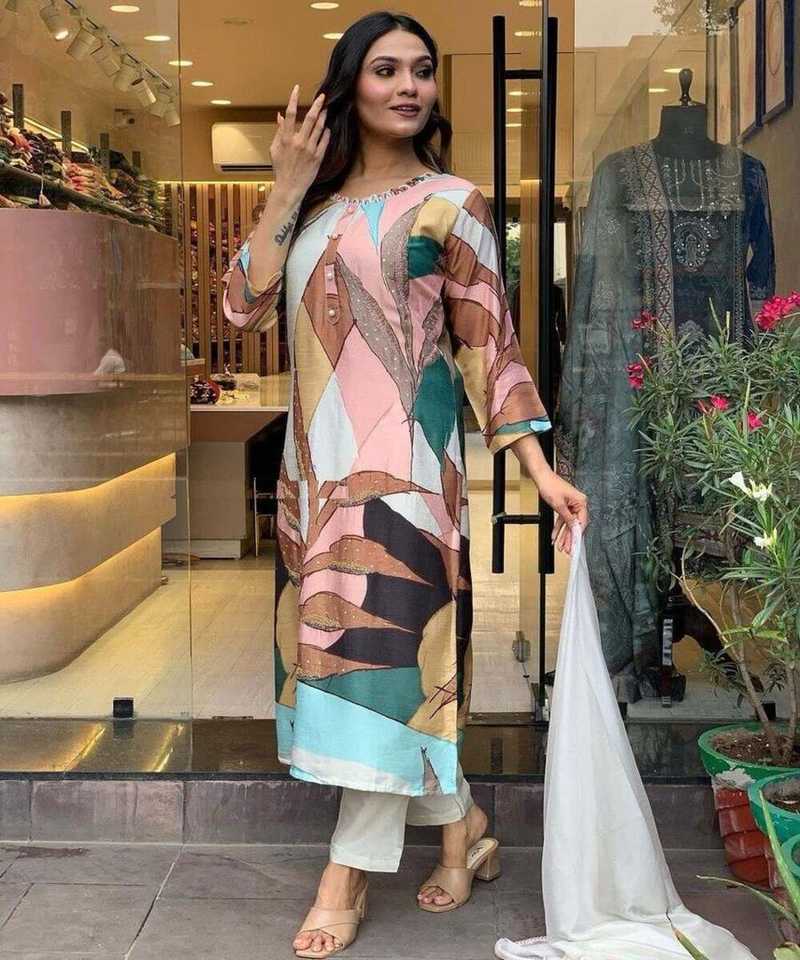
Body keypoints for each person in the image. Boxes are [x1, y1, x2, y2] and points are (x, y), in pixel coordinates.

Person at [222, 12, 588, 958]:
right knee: (352, 668)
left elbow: (490, 349)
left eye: (422, 70)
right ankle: (463, 827)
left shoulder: (452, 204)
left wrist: (540, 471)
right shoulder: (310, 207)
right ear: (350, 85)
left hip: (409, 478)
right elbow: (240, 306)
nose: (409, 85)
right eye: (385, 69)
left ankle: (345, 876)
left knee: (379, 671)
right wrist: (284, 187)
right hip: (314, 478)